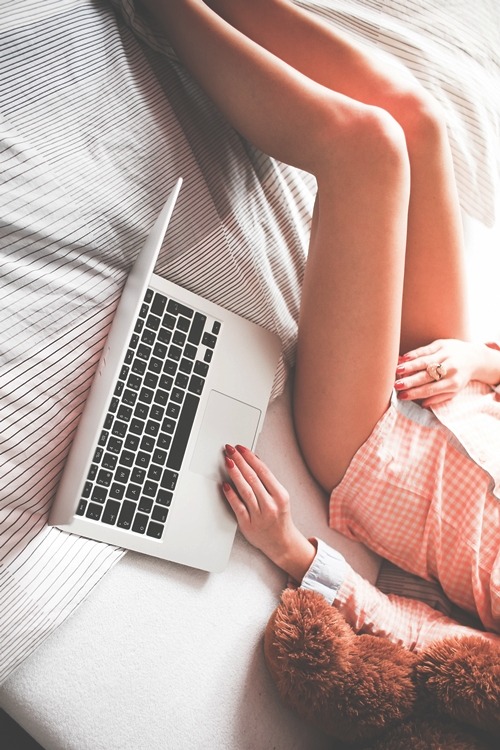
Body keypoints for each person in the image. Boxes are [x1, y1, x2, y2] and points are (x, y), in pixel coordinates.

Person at [141, 0, 500, 649]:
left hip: (373, 450)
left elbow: (426, 642)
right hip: (451, 380)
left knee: (367, 149)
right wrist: (485, 365)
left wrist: (292, 551)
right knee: (419, 123)